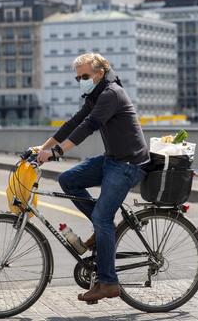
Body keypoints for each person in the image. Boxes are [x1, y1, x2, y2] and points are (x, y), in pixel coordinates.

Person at [33, 53, 149, 303]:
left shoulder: (111, 94)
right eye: (78, 77)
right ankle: (103, 229)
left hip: (129, 164)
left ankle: (108, 282)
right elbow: (73, 122)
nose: (81, 81)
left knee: (102, 218)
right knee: (69, 180)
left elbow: (89, 126)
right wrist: (41, 147)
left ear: (99, 73)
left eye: (85, 76)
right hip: (113, 159)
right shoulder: (95, 95)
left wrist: (56, 152)